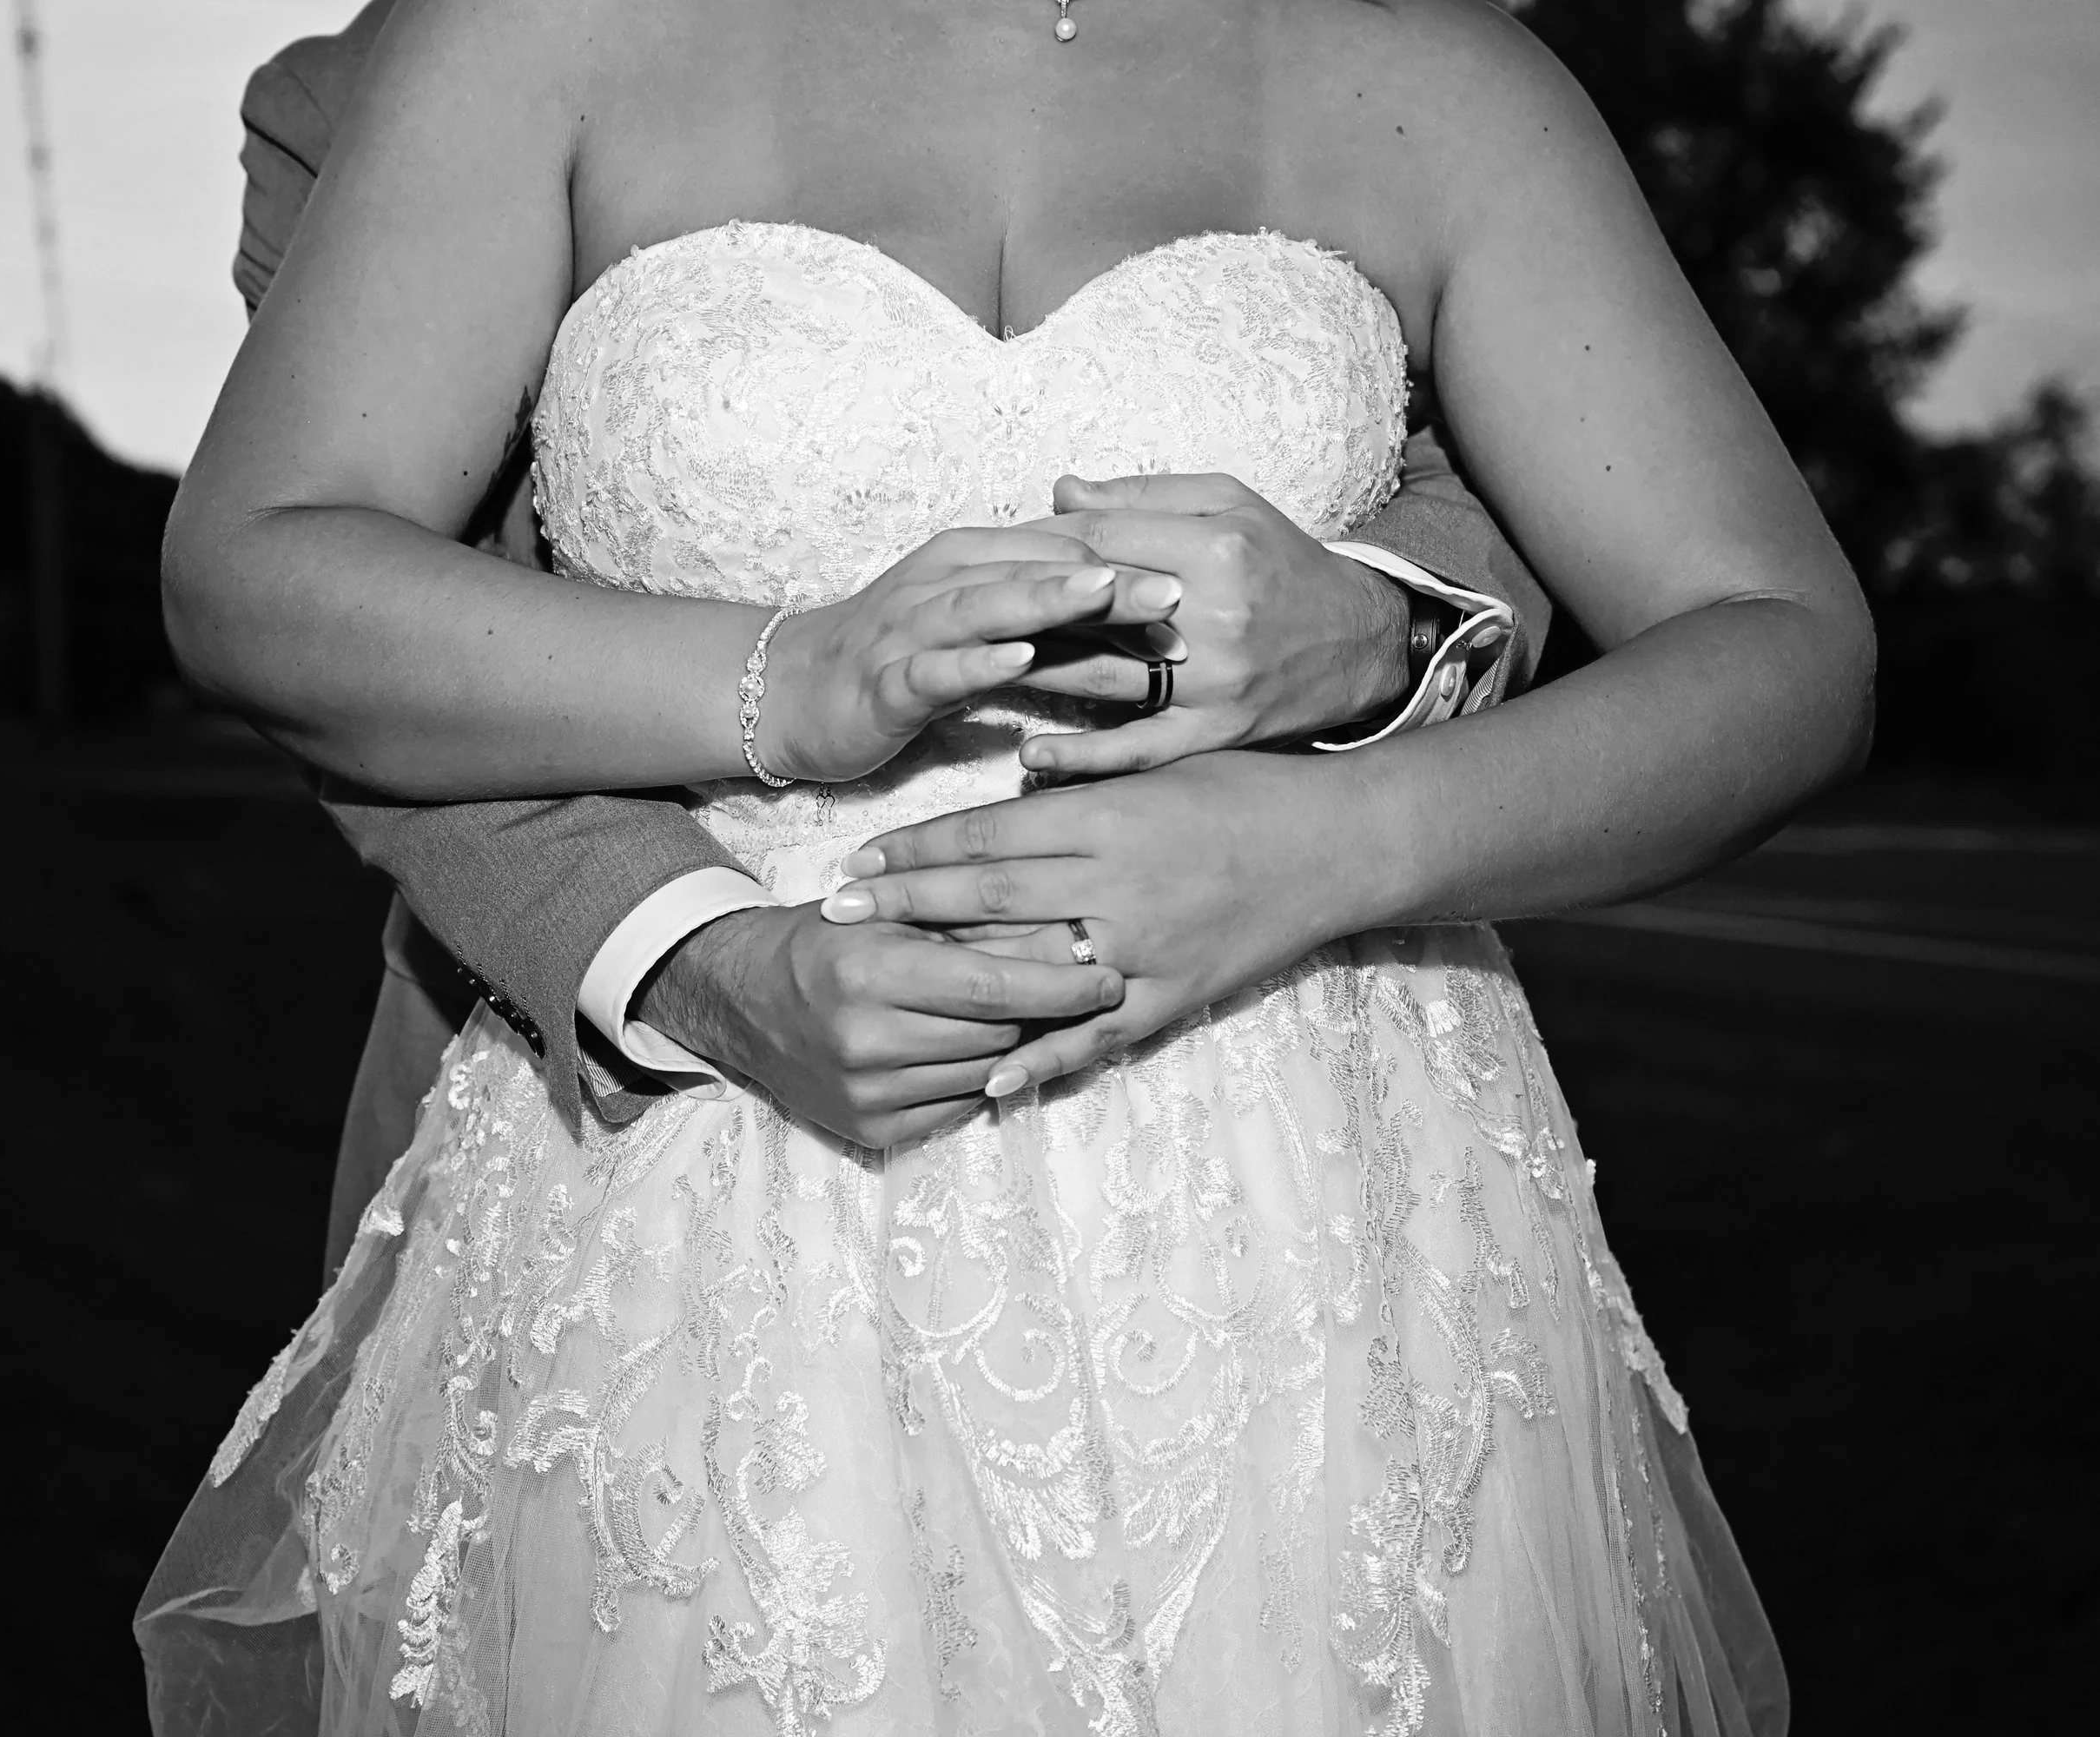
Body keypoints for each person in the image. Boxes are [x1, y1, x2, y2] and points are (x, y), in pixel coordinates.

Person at [139, 0, 1873, 1730]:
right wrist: (786, 691)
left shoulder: (1436, 78)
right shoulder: (528, 44)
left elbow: (1778, 645)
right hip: (695, 1193)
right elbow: (265, 573)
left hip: (1311, 1235)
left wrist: (1328, 837)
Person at [231, 0, 1550, 1282]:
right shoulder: (434, 68)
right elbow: (336, 609)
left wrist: (1388, 627)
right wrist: (700, 960)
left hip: (1305, 1140)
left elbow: (1488, 487)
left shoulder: (1412, 70)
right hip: (645, 1118)